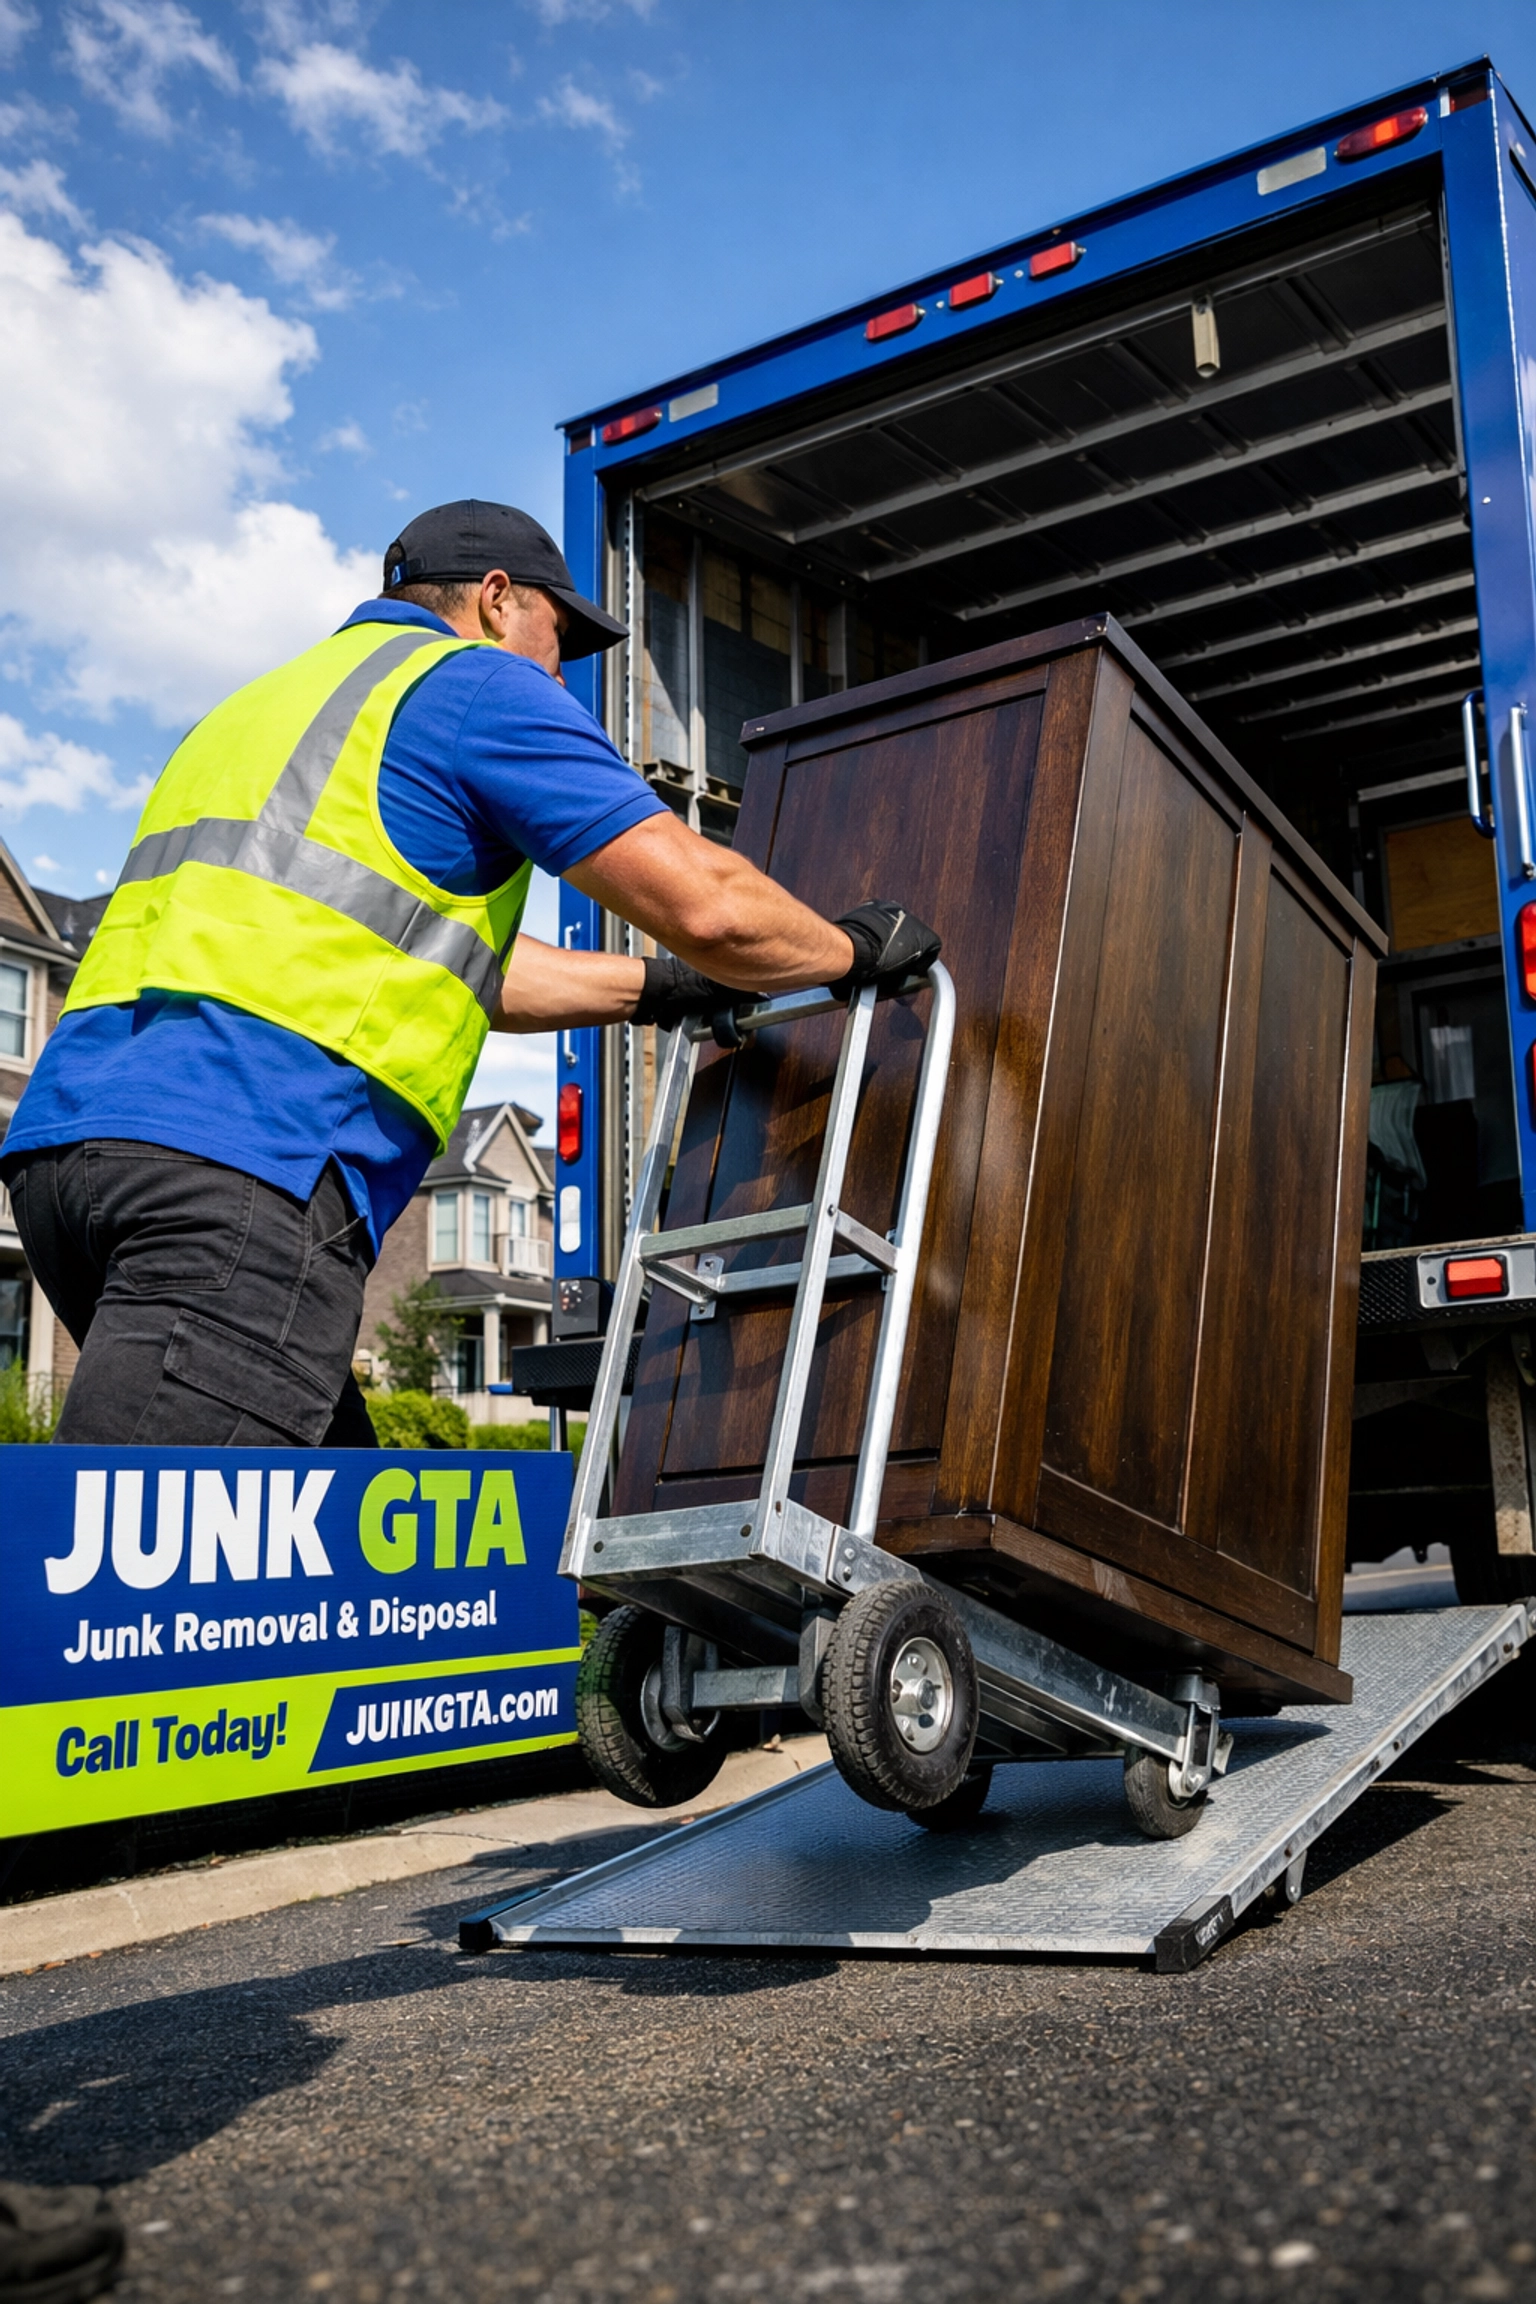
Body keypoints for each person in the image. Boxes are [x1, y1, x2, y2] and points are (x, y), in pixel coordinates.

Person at [1, 501, 938, 1447]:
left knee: (337, 1547)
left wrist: (662, 989)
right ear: (496, 601)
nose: (560, 672)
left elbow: (440, 965)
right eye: (557, 636)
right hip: (247, 1163)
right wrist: (849, 950)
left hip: (69, 1160)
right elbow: (710, 908)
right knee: (172, 1565)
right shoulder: (472, 687)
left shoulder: (262, 708)